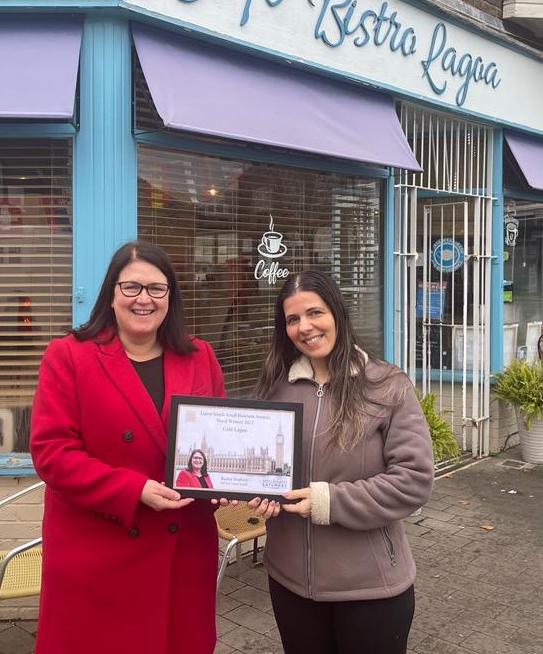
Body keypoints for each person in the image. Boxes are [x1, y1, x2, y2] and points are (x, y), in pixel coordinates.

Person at [29, 240, 226, 654]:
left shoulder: (200, 355)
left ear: (170, 296)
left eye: (156, 288)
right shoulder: (68, 355)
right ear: (111, 292)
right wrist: (132, 489)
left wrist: (233, 483)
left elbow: (218, 440)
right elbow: (52, 452)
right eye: (131, 287)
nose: (144, 299)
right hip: (99, 550)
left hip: (183, 549)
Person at [248, 270, 433, 654]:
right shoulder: (274, 387)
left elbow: (412, 480)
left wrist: (326, 501)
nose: (305, 327)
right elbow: (265, 469)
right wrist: (255, 491)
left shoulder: (386, 385)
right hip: (290, 582)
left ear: (337, 313)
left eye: (315, 312)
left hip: (371, 588)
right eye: (293, 319)